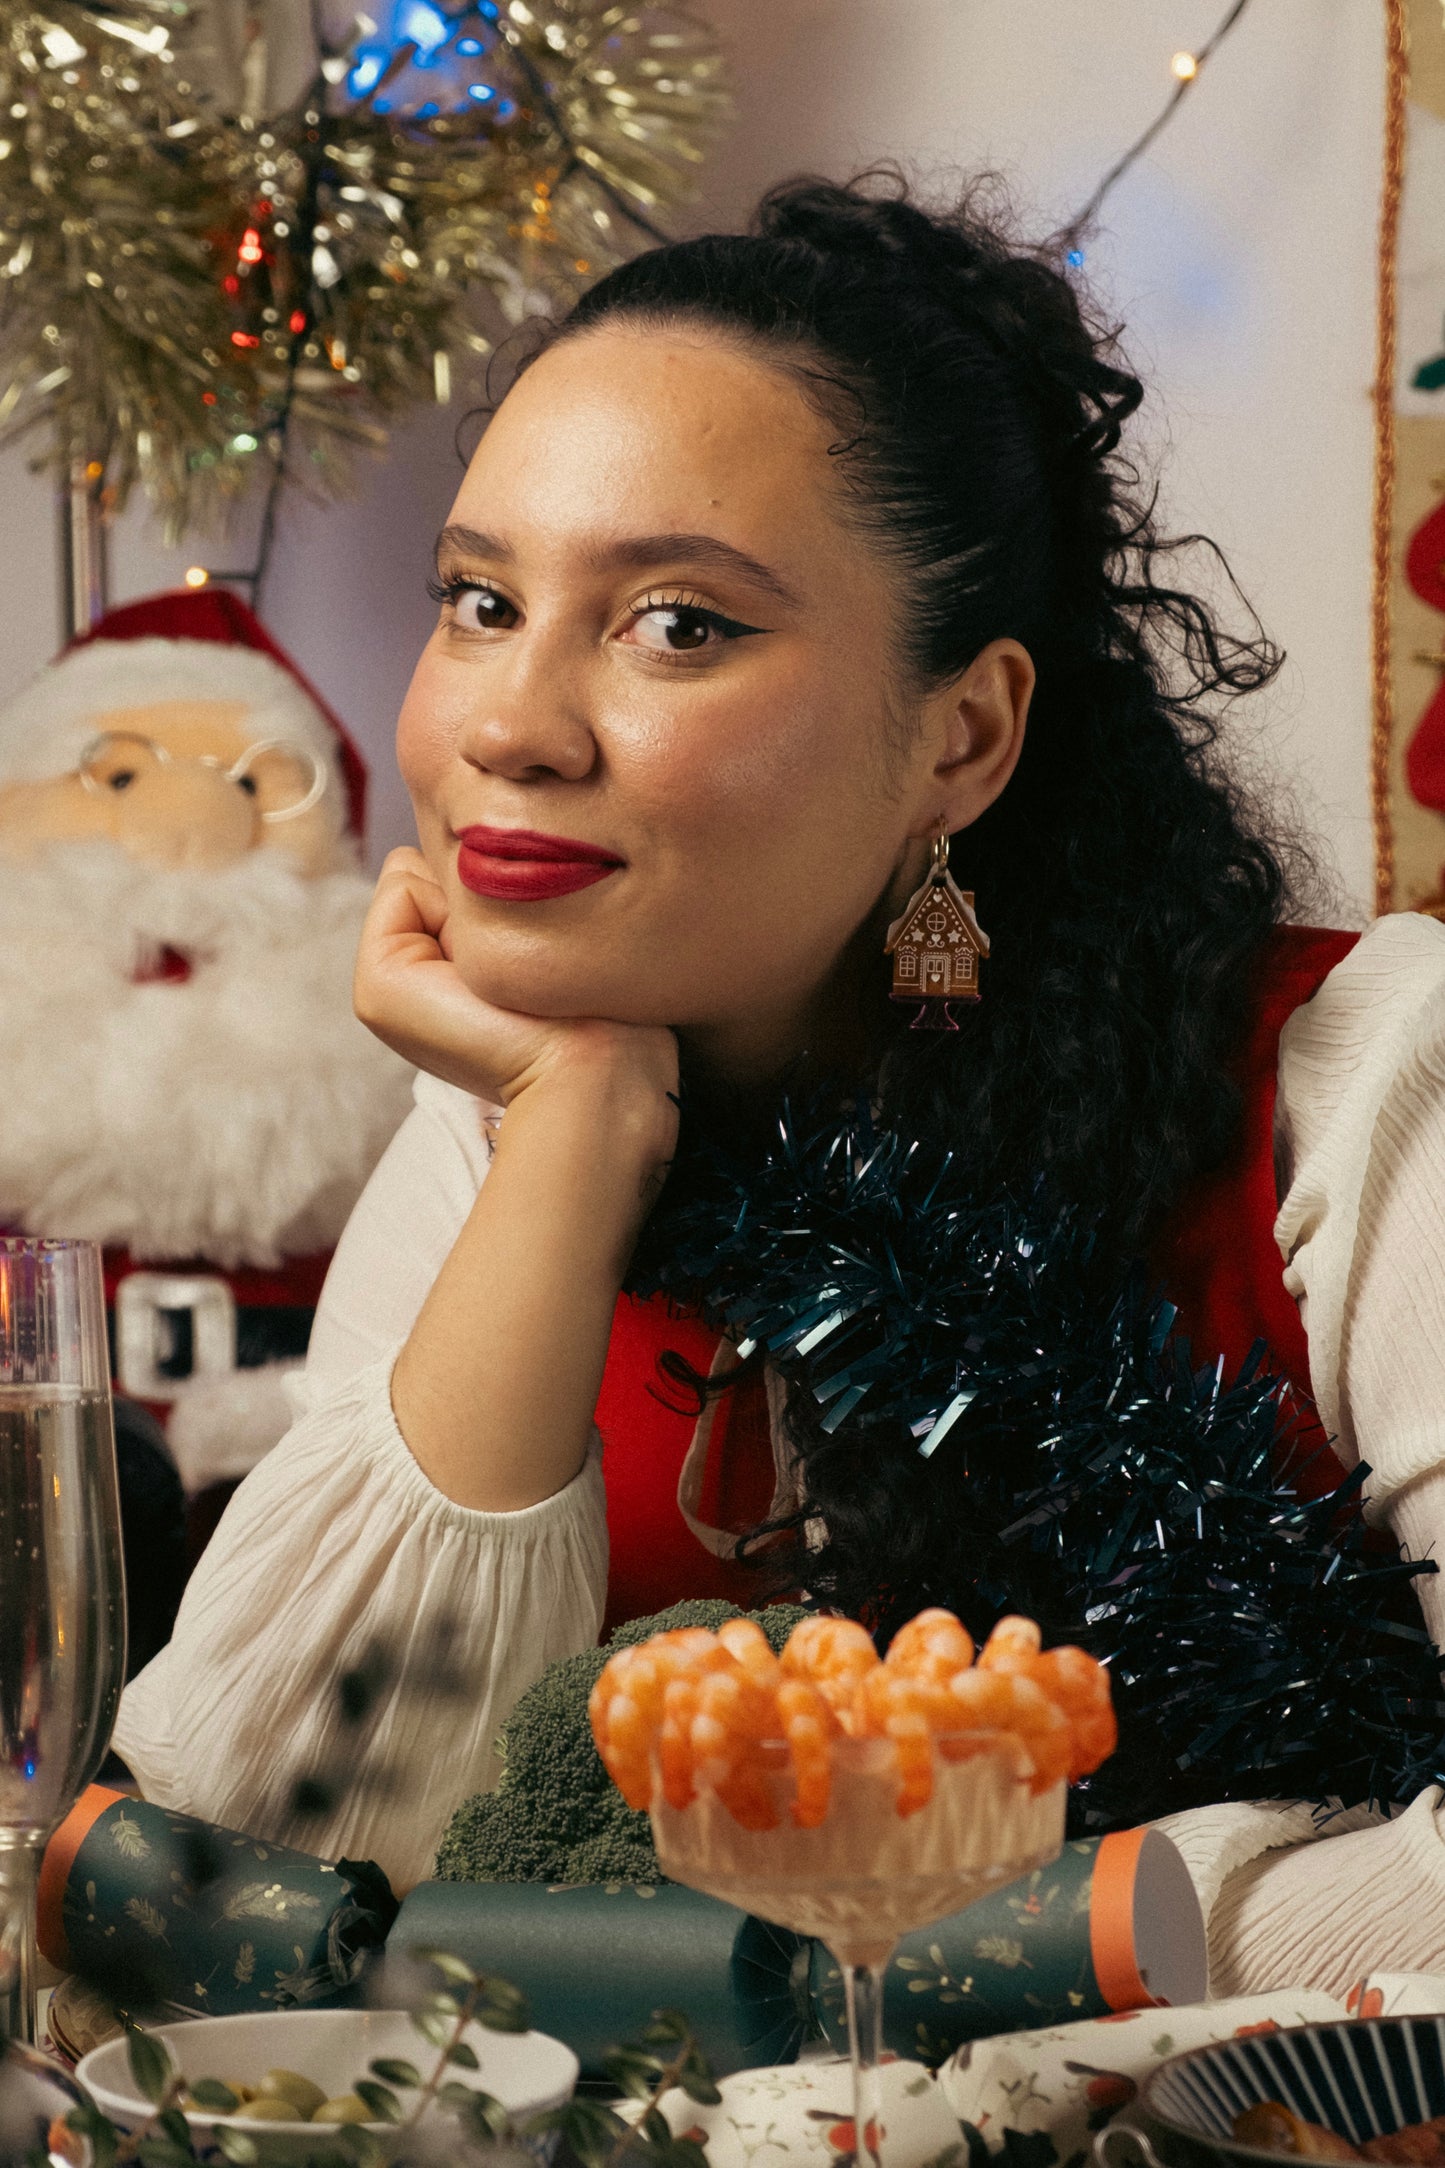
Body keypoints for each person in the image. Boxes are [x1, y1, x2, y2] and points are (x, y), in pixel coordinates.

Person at [115, 176, 1445, 1993]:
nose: (509, 724)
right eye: (480, 599)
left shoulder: (1368, 1083)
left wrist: (1001, 1954)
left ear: (959, 737)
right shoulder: (498, 1124)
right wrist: (572, 1133)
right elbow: (262, 1859)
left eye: (677, 624)